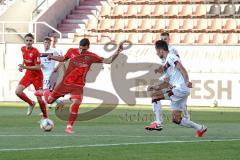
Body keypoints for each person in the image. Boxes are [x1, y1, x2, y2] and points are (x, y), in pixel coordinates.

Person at [35, 38, 124, 133]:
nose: (81, 51)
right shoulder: (72, 51)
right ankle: (44, 91)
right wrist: (52, 57)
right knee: (49, 101)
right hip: (66, 82)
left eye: (84, 49)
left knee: (76, 102)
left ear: (88, 47)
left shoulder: (91, 56)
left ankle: (69, 127)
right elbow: (63, 58)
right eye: (80, 48)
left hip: (78, 85)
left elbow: (108, 60)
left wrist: (118, 51)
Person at [147, 40, 207, 137]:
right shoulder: (166, 64)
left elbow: (181, 68)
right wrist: (155, 86)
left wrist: (187, 81)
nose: (156, 53)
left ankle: (158, 123)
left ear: (161, 50)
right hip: (180, 91)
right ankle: (201, 128)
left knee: (154, 95)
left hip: (180, 88)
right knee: (176, 119)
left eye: (157, 51)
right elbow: (166, 82)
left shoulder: (171, 57)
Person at [145, 32, 189, 131]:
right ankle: (159, 121)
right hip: (170, 77)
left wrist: (185, 81)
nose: (164, 40)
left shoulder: (171, 51)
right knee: (154, 92)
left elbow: (177, 65)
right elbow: (166, 67)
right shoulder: (163, 54)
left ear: (169, 39)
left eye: (165, 38)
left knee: (155, 95)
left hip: (175, 80)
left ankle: (158, 122)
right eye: (162, 38)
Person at [15, 33, 48, 119]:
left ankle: (45, 116)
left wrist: (25, 67)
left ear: (33, 41)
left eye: (30, 40)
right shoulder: (22, 49)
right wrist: (21, 66)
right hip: (28, 75)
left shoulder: (35, 52)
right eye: (27, 40)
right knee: (18, 92)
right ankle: (31, 103)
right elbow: (24, 58)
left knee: (39, 98)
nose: (28, 42)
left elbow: (38, 67)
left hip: (37, 76)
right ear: (24, 41)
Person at [39, 37, 63, 109]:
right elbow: (38, 62)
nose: (47, 44)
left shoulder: (53, 51)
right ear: (43, 43)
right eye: (45, 42)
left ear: (50, 44)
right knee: (46, 91)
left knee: (46, 90)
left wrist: (56, 68)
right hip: (43, 74)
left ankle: (48, 105)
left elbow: (62, 59)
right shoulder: (40, 52)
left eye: (48, 43)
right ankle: (58, 102)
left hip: (50, 74)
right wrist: (40, 65)